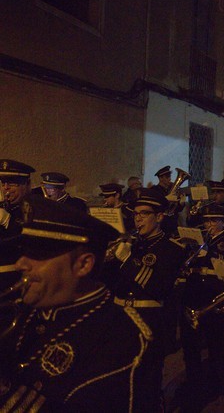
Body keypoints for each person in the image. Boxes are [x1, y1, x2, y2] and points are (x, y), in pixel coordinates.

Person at [0, 196, 156, 411]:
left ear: (83, 265)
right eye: (23, 252)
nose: (20, 264)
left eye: (37, 255)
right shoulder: (25, 310)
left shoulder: (121, 337)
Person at [103, 188, 186, 403]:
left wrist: (128, 261)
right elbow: (109, 282)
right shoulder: (132, 243)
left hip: (148, 321)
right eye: (136, 214)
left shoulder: (172, 249)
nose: (138, 219)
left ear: (159, 217)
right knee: (118, 380)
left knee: (146, 382)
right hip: (119, 319)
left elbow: (158, 286)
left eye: (144, 214)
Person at [179, 204, 224, 410]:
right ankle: (194, 382)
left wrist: (210, 255)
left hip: (214, 294)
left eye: (214, 220)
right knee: (189, 345)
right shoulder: (197, 239)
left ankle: (217, 384)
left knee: (215, 343)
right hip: (192, 294)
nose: (209, 224)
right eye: (207, 220)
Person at [0, 159, 35, 291]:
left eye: (12, 183)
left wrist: (8, 222)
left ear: (27, 184)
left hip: (16, 280)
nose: (6, 188)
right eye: (3, 183)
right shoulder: (5, 207)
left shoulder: (34, 210)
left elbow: (28, 242)